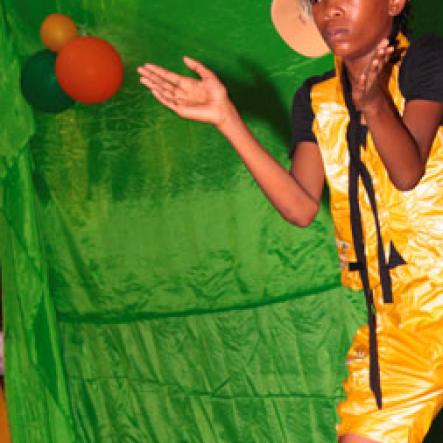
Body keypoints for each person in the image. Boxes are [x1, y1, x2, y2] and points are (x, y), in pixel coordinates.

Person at [137, 0, 443, 441]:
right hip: (400, 325)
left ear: (394, 2)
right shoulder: (316, 100)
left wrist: (374, 105)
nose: (329, 10)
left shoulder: (425, 59)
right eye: (317, 0)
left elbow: (408, 172)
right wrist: (227, 120)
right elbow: (300, 207)